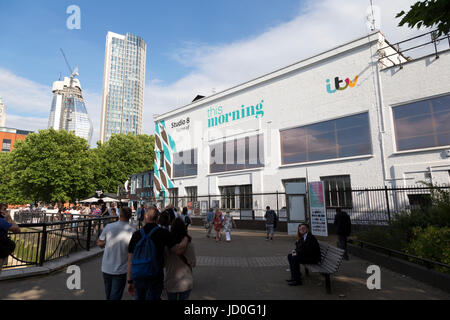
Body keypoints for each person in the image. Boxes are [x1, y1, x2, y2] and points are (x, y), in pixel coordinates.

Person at [127, 206, 188, 300]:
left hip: (138, 275)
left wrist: (130, 281)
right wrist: (185, 239)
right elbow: (178, 250)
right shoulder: (163, 233)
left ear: (146, 217)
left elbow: (130, 260)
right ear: (157, 218)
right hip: (155, 275)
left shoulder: (136, 234)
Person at [97, 207, 135, 300]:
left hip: (106, 267)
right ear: (130, 217)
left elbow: (99, 243)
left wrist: (108, 243)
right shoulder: (133, 231)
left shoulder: (109, 227)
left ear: (119, 215)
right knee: (115, 295)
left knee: (108, 294)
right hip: (121, 269)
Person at [164, 218, 196, 300]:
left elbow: (163, 263)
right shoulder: (189, 244)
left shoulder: (167, 245)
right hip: (186, 281)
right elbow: (193, 263)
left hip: (170, 280)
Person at [0, 203, 21, 273]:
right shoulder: (2, 221)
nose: (6, 211)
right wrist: (9, 219)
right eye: (4, 209)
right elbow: (17, 230)